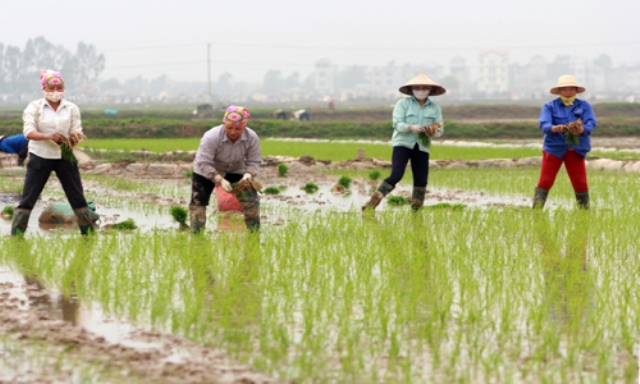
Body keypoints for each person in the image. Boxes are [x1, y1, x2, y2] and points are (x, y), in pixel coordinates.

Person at [10, 70, 96, 236]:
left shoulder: (71, 108)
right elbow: (28, 132)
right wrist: (49, 136)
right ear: (44, 88)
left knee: (77, 198)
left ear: (64, 88)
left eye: (59, 87)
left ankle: (88, 235)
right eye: (52, 87)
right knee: (28, 199)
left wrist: (72, 139)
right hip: (40, 156)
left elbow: (76, 130)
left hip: (65, 156)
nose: (56, 91)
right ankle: (16, 237)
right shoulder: (34, 107)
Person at [362, 73, 446, 212]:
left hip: (422, 146)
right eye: (417, 88)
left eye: (424, 88)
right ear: (412, 89)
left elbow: (440, 129)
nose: (421, 90)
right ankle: (373, 202)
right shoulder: (403, 104)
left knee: (421, 180)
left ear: (430, 90)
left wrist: (432, 131)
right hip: (403, 144)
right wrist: (411, 127)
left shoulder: (435, 108)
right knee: (396, 175)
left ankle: (416, 211)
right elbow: (397, 123)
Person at [189, 106, 261, 233]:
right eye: (229, 127)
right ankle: (196, 234)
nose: (233, 132)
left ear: (244, 127)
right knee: (198, 202)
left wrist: (247, 176)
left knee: (251, 199)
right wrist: (220, 180)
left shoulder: (252, 138)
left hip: (236, 169)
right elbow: (204, 162)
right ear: (224, 124)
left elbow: (254, 161)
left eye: (238, 128)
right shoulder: (211, 137)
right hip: (207, 170)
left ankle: (253, 233)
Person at [532, 75, 597, 209]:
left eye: (571, 89)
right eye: (564, 89)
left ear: (576, 91)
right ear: (559, 91)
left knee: (580, 182)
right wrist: (554, 128)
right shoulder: (549, 106)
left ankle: (584, 213)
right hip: (554, 148)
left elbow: (591, 123)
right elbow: (544, 124)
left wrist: (581, 130)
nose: (568, 92)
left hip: (576, 149)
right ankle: (536, 211)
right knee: (545, 180)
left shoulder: (584, 106)